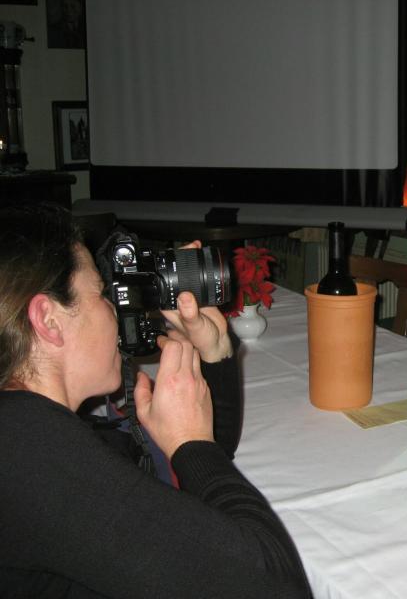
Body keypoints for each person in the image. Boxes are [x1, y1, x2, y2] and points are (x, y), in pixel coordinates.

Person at [0, 204, 312, 597]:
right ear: (48, 320)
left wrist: (213, 354)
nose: (115, 309)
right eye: (100, 294)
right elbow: (274, 587)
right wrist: (191, 444)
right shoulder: (33, 453)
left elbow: (198, 481)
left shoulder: (27, 431)